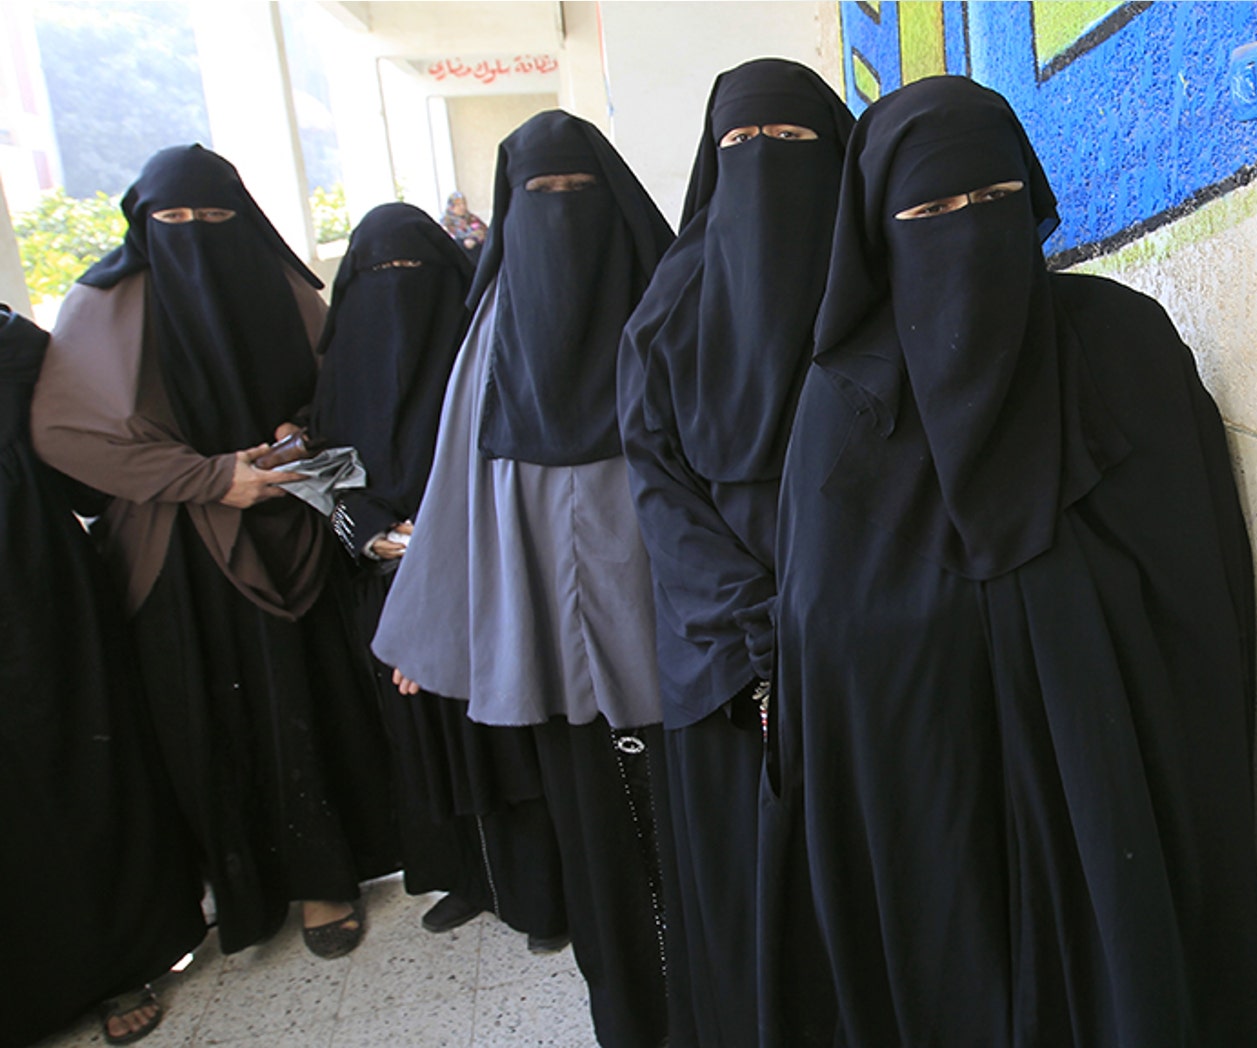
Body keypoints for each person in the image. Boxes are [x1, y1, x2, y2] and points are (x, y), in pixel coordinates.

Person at [762, 77, 1257, 1045]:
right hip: (928, 793)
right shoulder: (845, 402)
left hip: (1111, 776)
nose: (964, 232)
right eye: (930, 211)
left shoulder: (1123, 347)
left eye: (992, 203)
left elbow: (1197, 590)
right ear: (880, 228)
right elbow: (825, 634)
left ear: (1031, 202)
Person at [31, 145, 400, 961]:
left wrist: (299, 427)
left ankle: (330, 876)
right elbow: (66, 434)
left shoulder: (283, 285)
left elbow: (337, 378)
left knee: (313, 699)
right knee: (222, 714)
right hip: (181, 548)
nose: (197, 234)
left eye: (216, 218)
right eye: (174, 221)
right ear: (141, 224)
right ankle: (248, 887)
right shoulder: (106, 301)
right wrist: (205, 478)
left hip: (293, 522)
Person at [372, 109, 675, 1048]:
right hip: (548, 643)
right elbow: (457, 487)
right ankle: (628, 1016)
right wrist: (431, 632)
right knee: (596, 846)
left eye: (579, 195)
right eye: (540, 198)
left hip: (675, 634)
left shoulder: (667, 299)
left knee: (693, 833)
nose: (561, 216)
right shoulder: (493, 335)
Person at [619, 58, 853, 1048]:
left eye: (795, 149)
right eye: (743, 152)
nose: (768, 173)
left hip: (860, 634)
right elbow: (660, 495)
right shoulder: (666, 313)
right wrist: (761, 641)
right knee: (752, 884)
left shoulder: (871, 286)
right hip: (725, 665)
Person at [309, 202, 519, 939]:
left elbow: (505, 462)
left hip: (480, 575)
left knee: (504, 738)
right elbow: (330, 474)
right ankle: (463, 876)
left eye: (418, 273)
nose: (398, 290)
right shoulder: (337, 373)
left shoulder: (489, 353)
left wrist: (435, 550)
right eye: (378, 274)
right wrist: (369, 535)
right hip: (382, 586)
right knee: (419, 740)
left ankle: (532, 887)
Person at [1, 304, 205, 1047]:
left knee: (75, 767)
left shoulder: (12, 345)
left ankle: (115, 964)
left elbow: (84, 459)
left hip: (38, 598)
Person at [441, 191, 488, 263]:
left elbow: (486, 232)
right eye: (458, 204)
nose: (462, 206)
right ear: (451, 207)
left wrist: (474, 239)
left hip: (479, 257)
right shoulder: (446, 223)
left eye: (464, 203)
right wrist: (463, 243)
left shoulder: (472, 218)